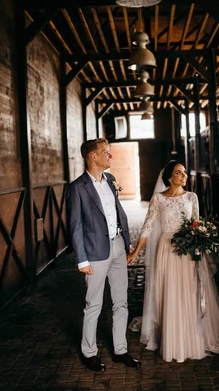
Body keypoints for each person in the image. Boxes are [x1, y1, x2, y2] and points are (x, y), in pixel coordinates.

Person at [127, 160, 219, 363]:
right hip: (167, 249)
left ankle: (192, 341)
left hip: (188, 250)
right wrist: (136, 251)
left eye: (184, 172)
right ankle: (173, 341)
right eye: (178, 173)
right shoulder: (158, 199)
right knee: (169, 292)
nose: (183, 176)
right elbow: (147, 226)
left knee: (189, 292)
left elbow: (196, 223)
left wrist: (200, 239)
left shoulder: (192, 197)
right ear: (169, 177)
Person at [67, 138, 141, 372]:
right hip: (95, 253)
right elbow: (75, 225)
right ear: (92, 157)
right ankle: (89, 353)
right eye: (105, 153)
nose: (110, 156)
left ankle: (121, 350)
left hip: (118, 246)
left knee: (121, 301)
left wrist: (127, 243)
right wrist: (82, 259)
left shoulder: (111, 180)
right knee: (94, 304)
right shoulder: (77, 187)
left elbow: (119, 213)